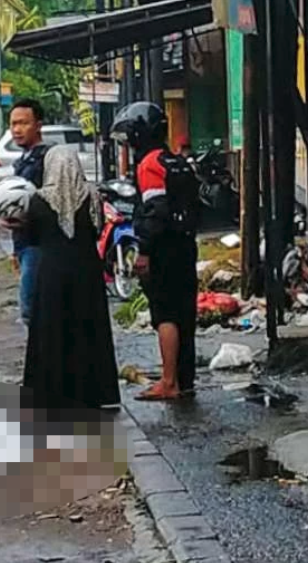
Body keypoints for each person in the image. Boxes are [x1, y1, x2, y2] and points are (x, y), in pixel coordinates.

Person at [111, 102, 200, 402]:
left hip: (165, 249)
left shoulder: (149, 164)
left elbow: (154, 210)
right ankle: (185, 379)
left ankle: (168, 381)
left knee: (165, 315)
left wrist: (145, 251)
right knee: (184, 314)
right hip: (185, 245)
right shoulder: (174, 160)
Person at [22, 146, 120, 410]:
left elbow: (31, 236)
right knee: (87, 328)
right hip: (86, 272)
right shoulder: (92, 197)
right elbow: (99, 229)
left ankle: (53, 389)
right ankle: (92, 390)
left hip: (52, 272)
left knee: (51, 330)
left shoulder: (39, 200)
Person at [8, 98, 50, 328]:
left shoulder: (46, 159)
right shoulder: (21, 162)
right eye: (13, 124)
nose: (16, 129)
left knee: (31, 309)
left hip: (39, 243)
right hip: (24, 244)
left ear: (38, 125)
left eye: (23, 123)